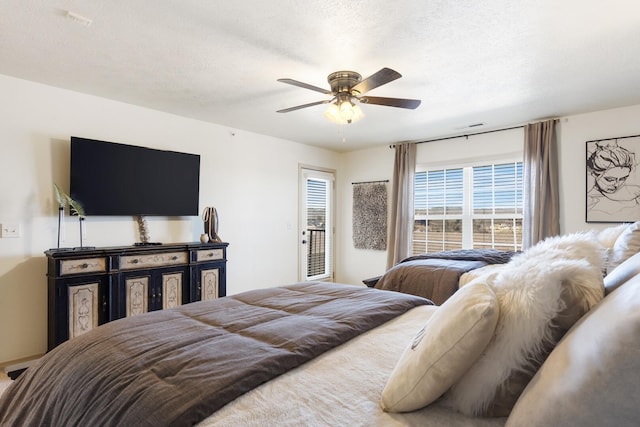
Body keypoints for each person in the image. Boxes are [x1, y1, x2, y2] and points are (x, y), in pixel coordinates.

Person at [586, 141, 640, 220]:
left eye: (622, 178)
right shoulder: (589, 202)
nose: (617, 184)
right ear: (594, 174)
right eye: (610, 179)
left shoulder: (632, 195)